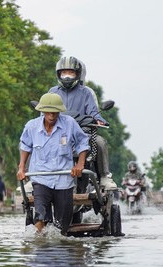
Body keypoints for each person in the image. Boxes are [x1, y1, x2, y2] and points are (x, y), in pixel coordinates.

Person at [17, 93, 89, 235]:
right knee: (41, 216)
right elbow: (25, 146)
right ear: (42, 111)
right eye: (49, 112)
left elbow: (83, 142)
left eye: (55, 112)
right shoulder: (32, 127)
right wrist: (21, 168)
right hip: (41, 178)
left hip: (63, 180)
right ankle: (40, 246)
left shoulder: (69, 123)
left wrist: (80, 164)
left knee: (62, 226)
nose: (52, 116)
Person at [49, 55, 117, 190]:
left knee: (100, 142)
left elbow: (93, 111)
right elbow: (45, 112)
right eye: (64, 73)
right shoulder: (52, 92)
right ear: (59, 74)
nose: (67, 76)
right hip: (57, 133)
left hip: (82, 133)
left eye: (71, 73)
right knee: (33, 143)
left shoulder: (86, 92)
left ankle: (104, 177)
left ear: (77, 74)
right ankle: (31, 179)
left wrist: (99, 120)